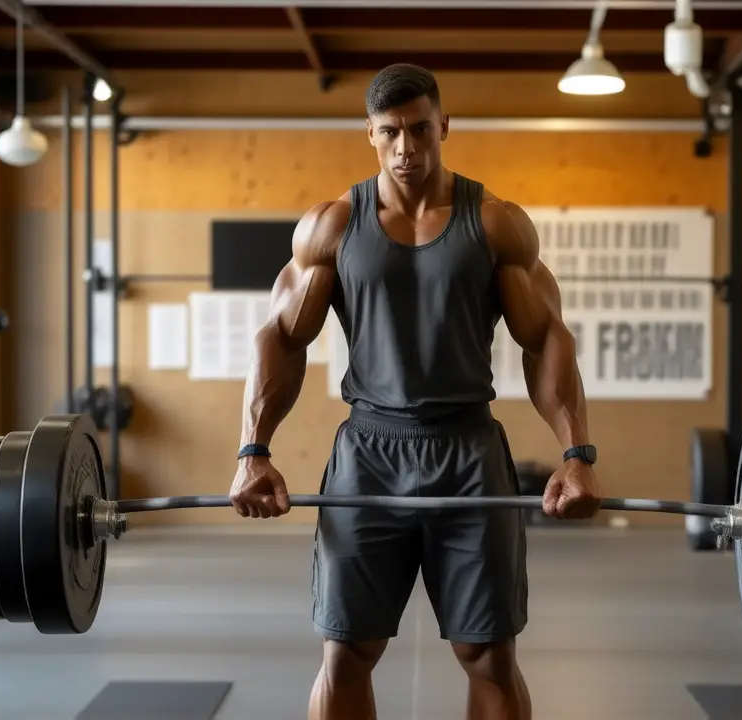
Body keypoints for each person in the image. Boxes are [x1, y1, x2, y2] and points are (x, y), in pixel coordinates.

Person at [228, 63, 603, 720]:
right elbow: (281, 339)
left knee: (489, 656)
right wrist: (252, 450)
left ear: (444, 126)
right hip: (369, 454)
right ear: (370, 134)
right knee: (345, 651)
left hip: (469, 453)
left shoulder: (495, 224)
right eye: (391, 132)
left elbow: (545, 338)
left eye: (421, 129)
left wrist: (578, 455)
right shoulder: (332, 227)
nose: (407, 148)